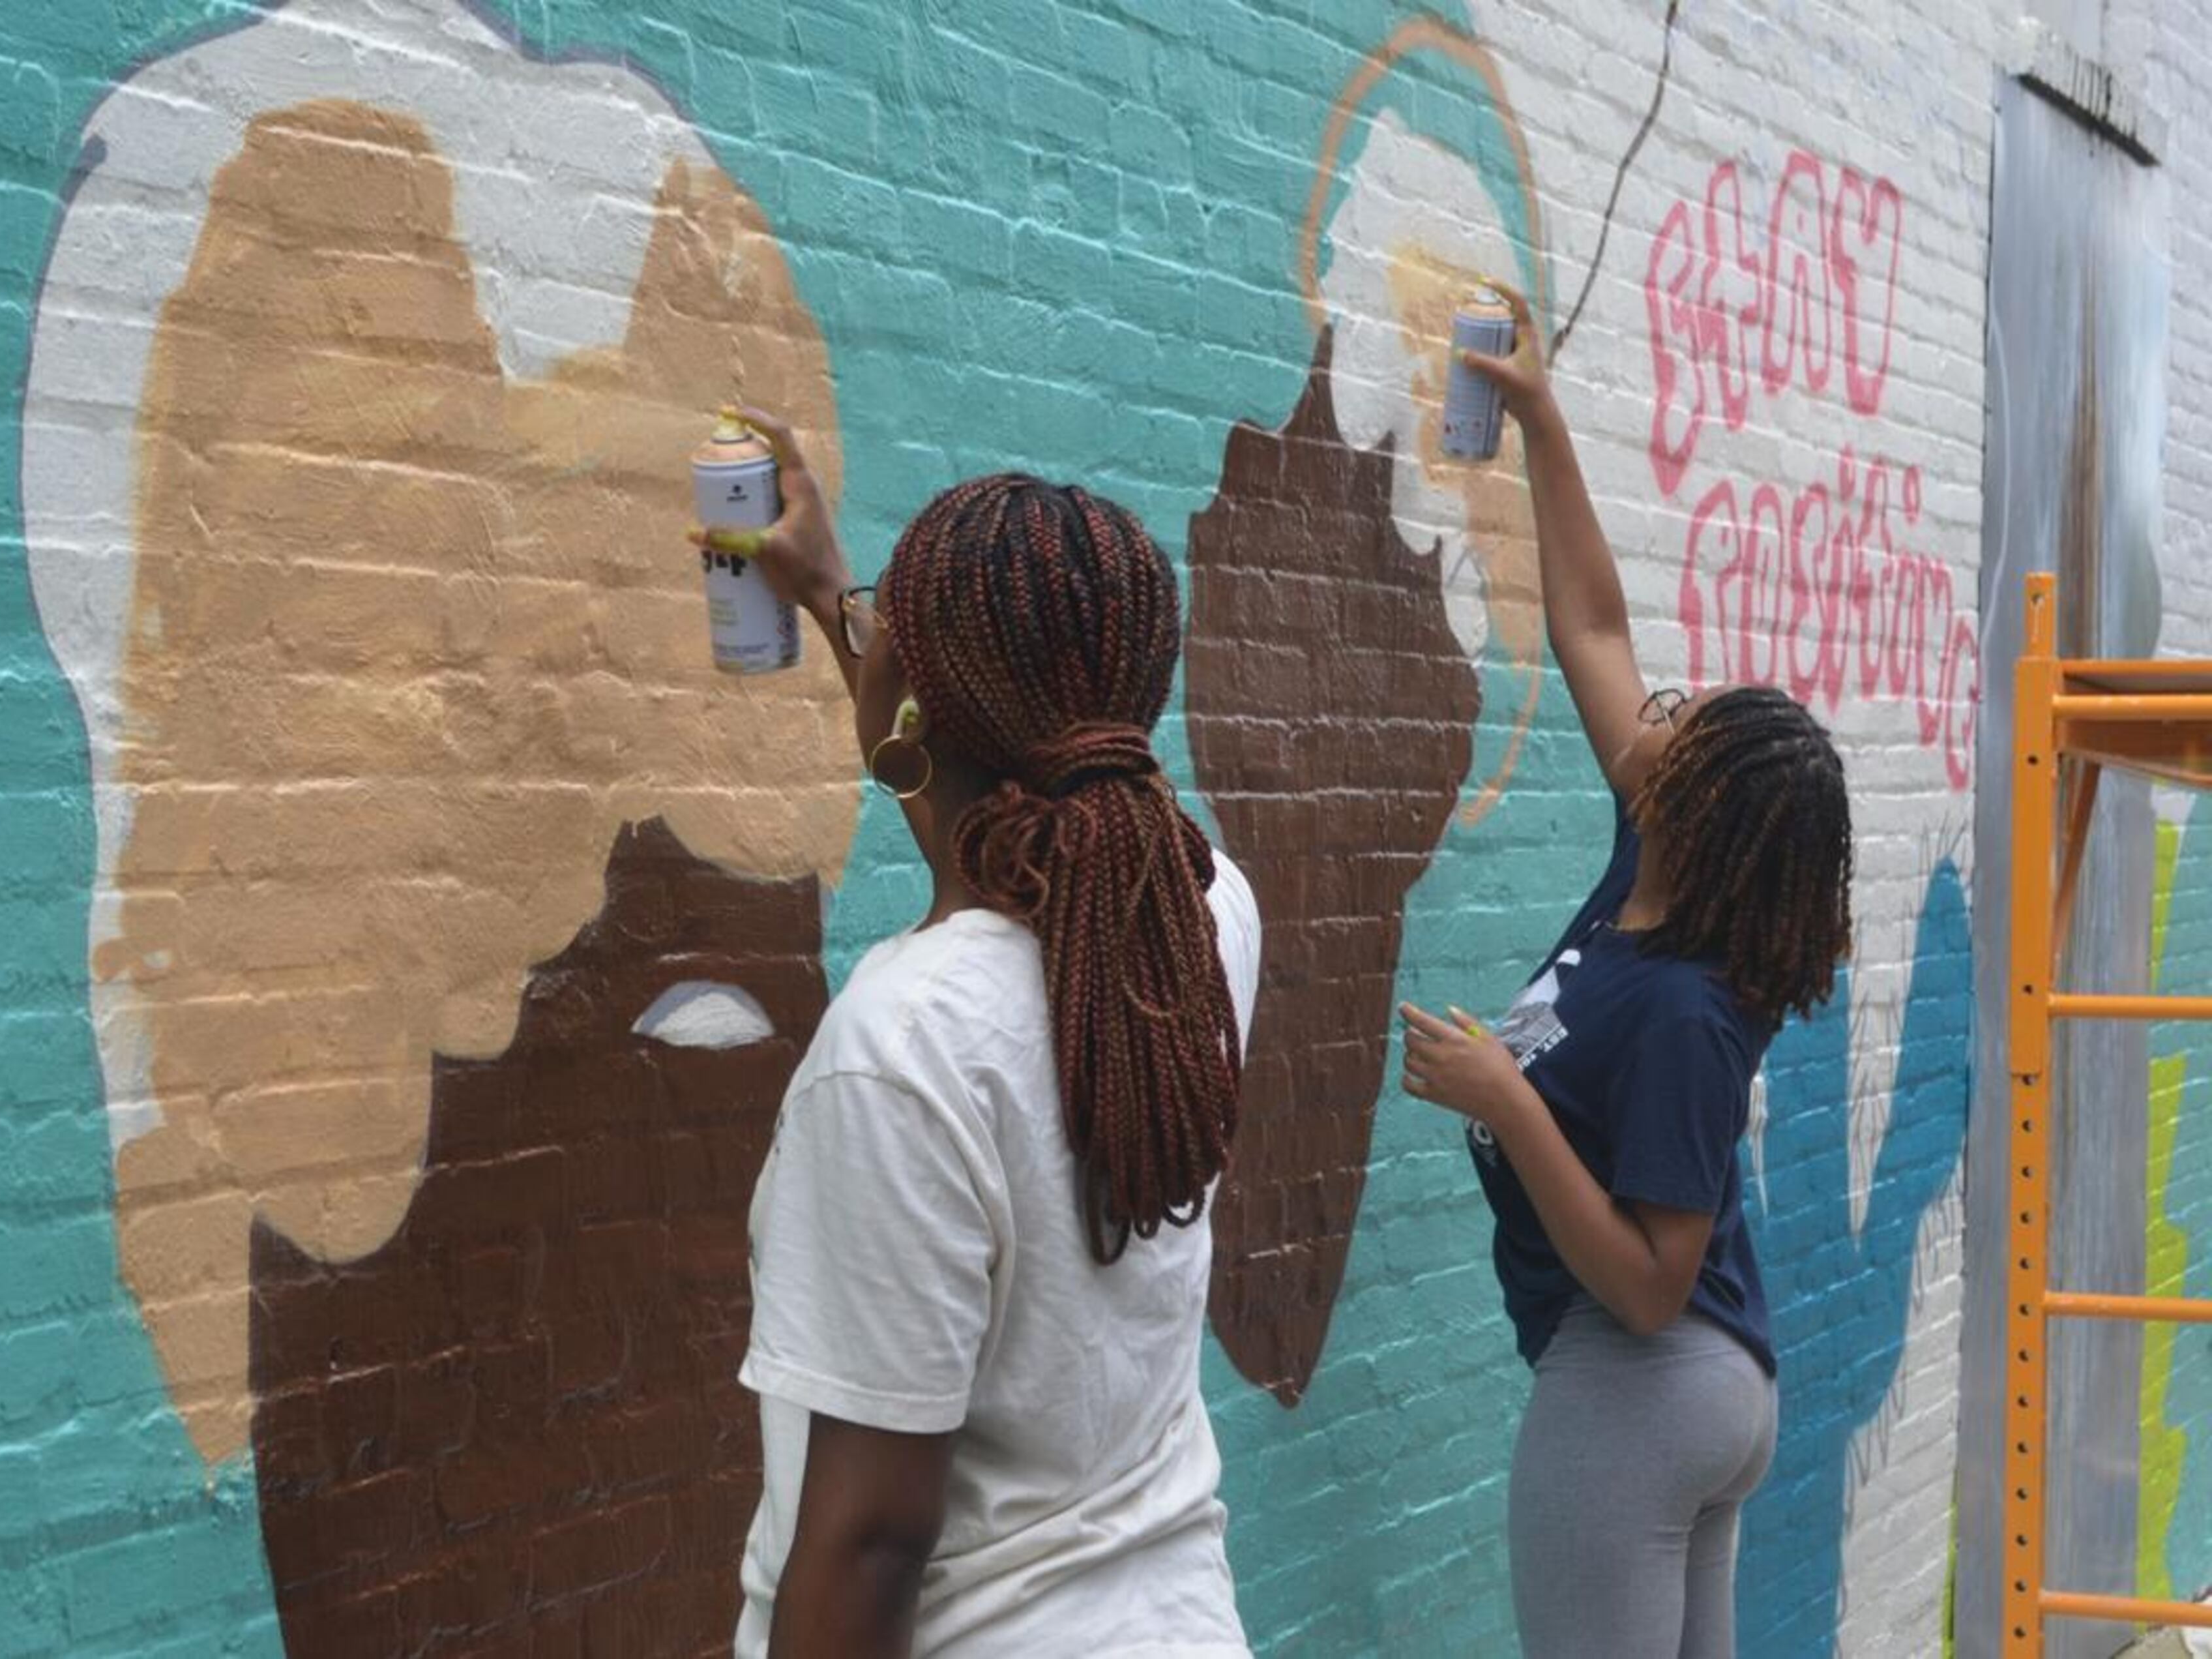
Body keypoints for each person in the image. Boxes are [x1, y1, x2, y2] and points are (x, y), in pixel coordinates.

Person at [698, 411, 1262, 1658]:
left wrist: (880, 655)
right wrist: (850, 607)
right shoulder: (1203, 912)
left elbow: (870, 1543)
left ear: (911, 701)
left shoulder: (899, 1054)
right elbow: (1009, 844)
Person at [1394, 285, 1852, 1659]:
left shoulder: (1683, 1009)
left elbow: (1652, 1279)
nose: (1652, 702)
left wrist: (1503, 1096)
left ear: (1694, 807)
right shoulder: (1650, 895)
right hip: (1694, 1393)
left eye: (1679, 721)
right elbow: (1592, 627)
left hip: (1642, 1381)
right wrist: (1538, 419)